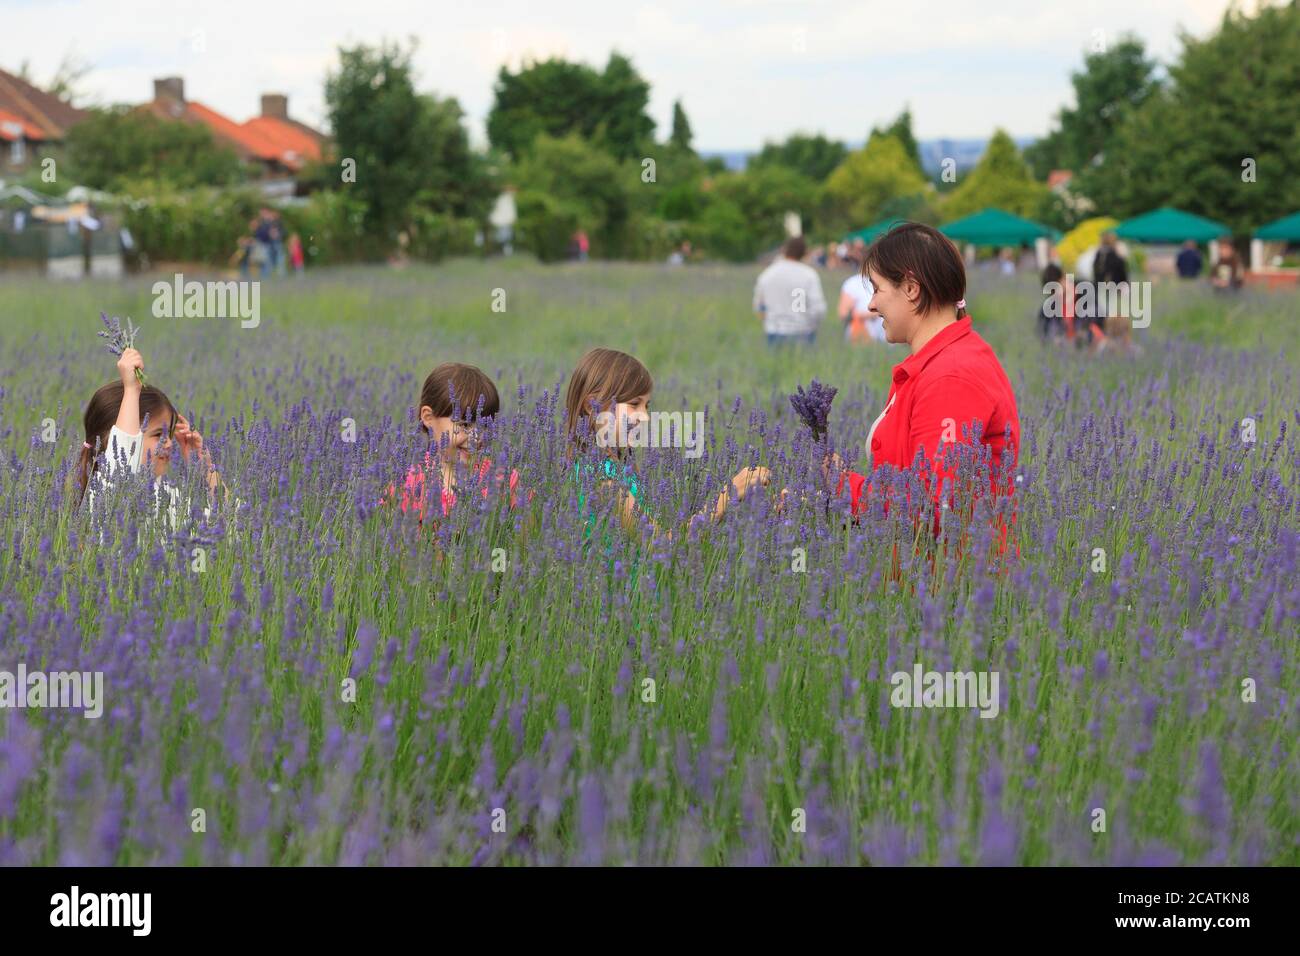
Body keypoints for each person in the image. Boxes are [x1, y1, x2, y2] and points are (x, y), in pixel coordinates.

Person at [830, 223, 1020, 557]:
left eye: (877, 289)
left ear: (911, 289)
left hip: (951, 588)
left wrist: (839, 487)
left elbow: (933, 508)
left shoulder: (951, 375)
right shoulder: (939, 362)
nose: (871, 306)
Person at [564, 347, 772, 542]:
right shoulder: (603, 479)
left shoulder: (618, 469)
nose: (644, 417)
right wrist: (726, 497)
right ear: (592, 406)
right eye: (634, 404)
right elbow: (662, 545)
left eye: (647, 406)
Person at [75, 347, 222, 528]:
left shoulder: (167, 495)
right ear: (111, 440)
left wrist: (206, 466)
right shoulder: (103, 494)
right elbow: (122, 469)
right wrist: (131, 390)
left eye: (169, 434)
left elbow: (230, 529)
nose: (168, 443)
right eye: (158, 434)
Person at [382, 363, 523, 525]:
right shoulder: (407, 486)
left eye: (485, 426)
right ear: (428, 417)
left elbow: (525, 543)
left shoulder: (503, 481)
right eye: (465, 425)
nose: (476, 437)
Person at [752, 236, 827, 346]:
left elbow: (759, 306)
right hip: (803, 332)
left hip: (774, 332)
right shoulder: (808, 275)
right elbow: (818, 309)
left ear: (784, 250)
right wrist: (812, 326)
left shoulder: (767, 274)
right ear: (804, 253)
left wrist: (769, 322)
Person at [1091, 231, 1131, 353]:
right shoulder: (1116, 257)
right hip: (1115, 293)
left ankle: (1103, 343)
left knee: (1103, 320)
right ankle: (1120, 345)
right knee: (1117, 321)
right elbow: (1123, 277)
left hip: (1099, 292)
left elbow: (1095, 275)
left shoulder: (1098, 255)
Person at [838, 269, 885, 344]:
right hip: (861, 335)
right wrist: (862, 315)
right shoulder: (853, 283)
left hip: (886, 339)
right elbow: (843, 314)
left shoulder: (886, 281)